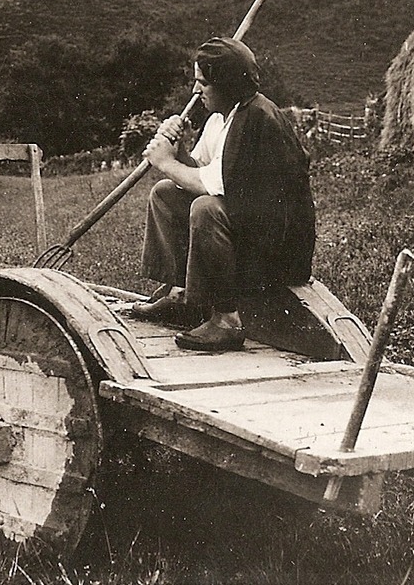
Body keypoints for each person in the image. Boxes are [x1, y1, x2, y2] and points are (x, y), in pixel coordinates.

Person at [127, 37, 316, 351]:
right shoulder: (220, 118)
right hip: (250, 225)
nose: (195, 91)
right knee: (165, 193)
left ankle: (227, 319)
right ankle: (182, 295)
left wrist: (163, 161)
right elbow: (195, 170)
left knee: (206, 208)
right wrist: (179, 149)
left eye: (203, 83)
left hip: (279, 250)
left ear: (226, 84)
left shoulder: (256, 119)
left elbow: (207, 186)